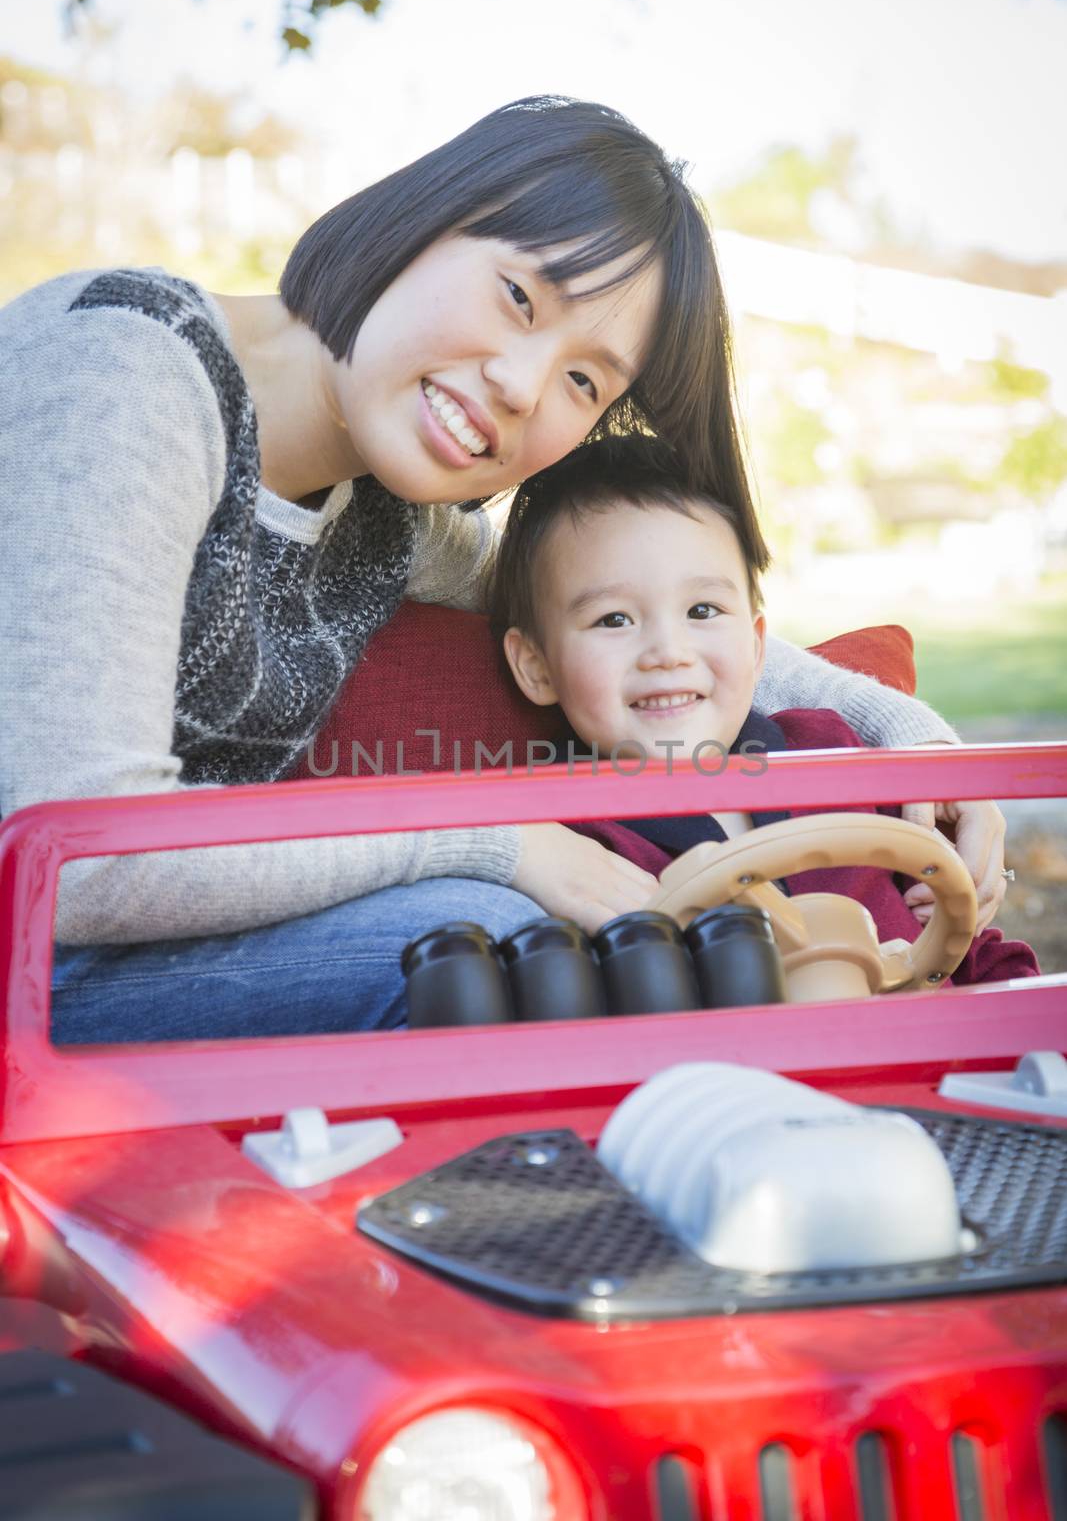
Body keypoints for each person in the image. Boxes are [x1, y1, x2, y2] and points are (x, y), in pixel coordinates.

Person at [0, 97, 1007, 1042]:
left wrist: (912, 741)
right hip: (40, 954)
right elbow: (84, 861)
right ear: (421, 217)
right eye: (519, 295)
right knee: (485, 939)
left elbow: (630, 610)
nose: (523, 388)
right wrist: (500, 842)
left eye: (582, 378)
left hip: (109, 953)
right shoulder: (128, 380)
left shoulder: (387, 514)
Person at [489, 436, 1034, 982]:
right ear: (536, 666)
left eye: (702, 610)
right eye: (614, 620)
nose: (668, 653)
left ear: (755, 649)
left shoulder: (835, 755)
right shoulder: (567, 838)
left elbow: (967, 947)